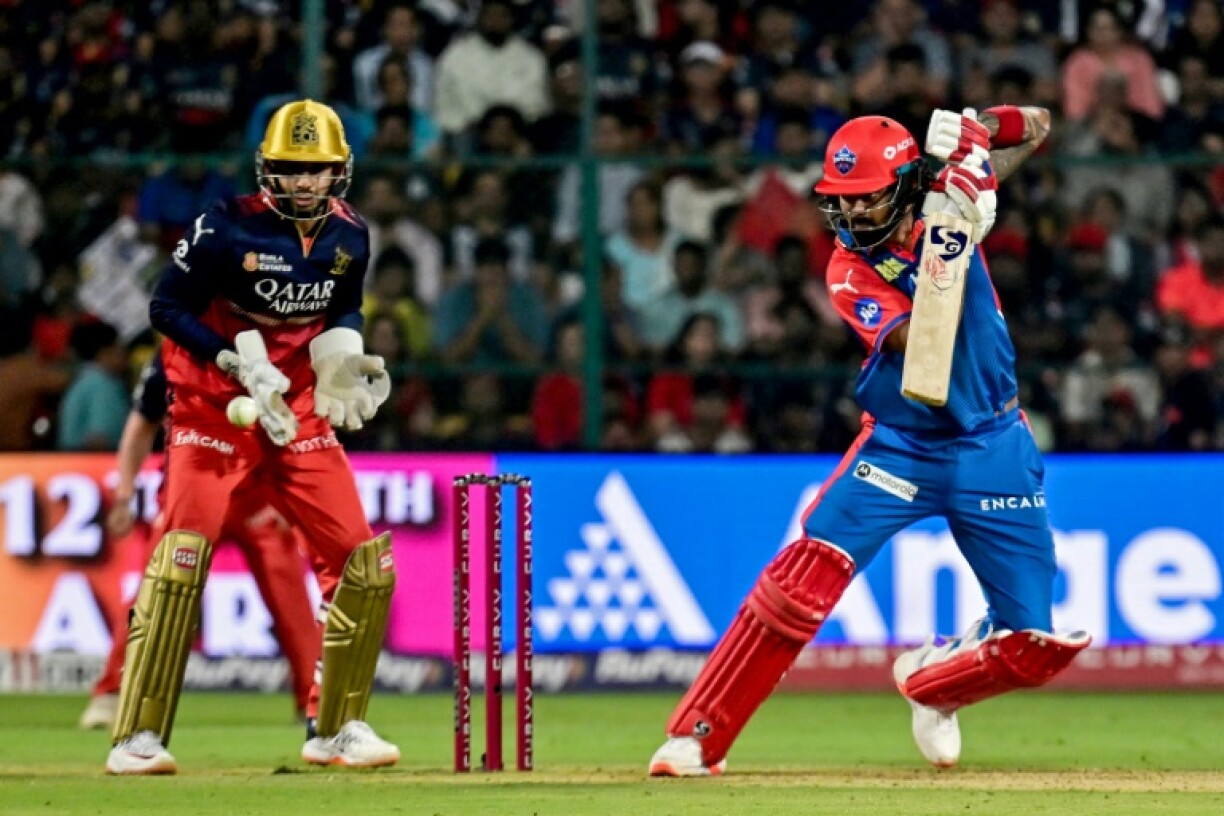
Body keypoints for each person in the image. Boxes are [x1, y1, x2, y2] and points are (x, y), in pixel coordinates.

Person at [648, 107, 1092, 776]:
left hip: (993, 446)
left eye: (870, 198)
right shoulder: (849, 270)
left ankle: (930, 685)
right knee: (800, 582)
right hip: (902, 448)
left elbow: (1035, 124)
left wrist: (975, 142)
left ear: (908, 182)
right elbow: (926, 358)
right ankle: (698, 738)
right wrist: (956, 225)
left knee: (1031, 645)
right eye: (843, 202)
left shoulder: (945, 200)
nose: (854, 216)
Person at [106, 99, 397, 775]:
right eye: (293, 171)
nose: (304, 185)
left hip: (296, 413)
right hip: (215, 411)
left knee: (363, 563)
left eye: (317, 171)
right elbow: (164, 306)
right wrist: (229, 361)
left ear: (338, 172)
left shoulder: (350, 236)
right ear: (268, 168)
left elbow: (344, 301)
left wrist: (340, 353)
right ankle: (138, 737)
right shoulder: (224, 228)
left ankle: (336, 725)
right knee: (180, 558)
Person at [79, 349, 319, 730]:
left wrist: (291, 500)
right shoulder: (172, 357)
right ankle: (111, 692)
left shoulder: (269, 349)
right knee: (155, 593)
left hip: (255, 499)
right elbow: (141, 425)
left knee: (292, 600)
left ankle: (313, 703)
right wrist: (124, 494)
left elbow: (296, 428)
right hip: (190, 494)